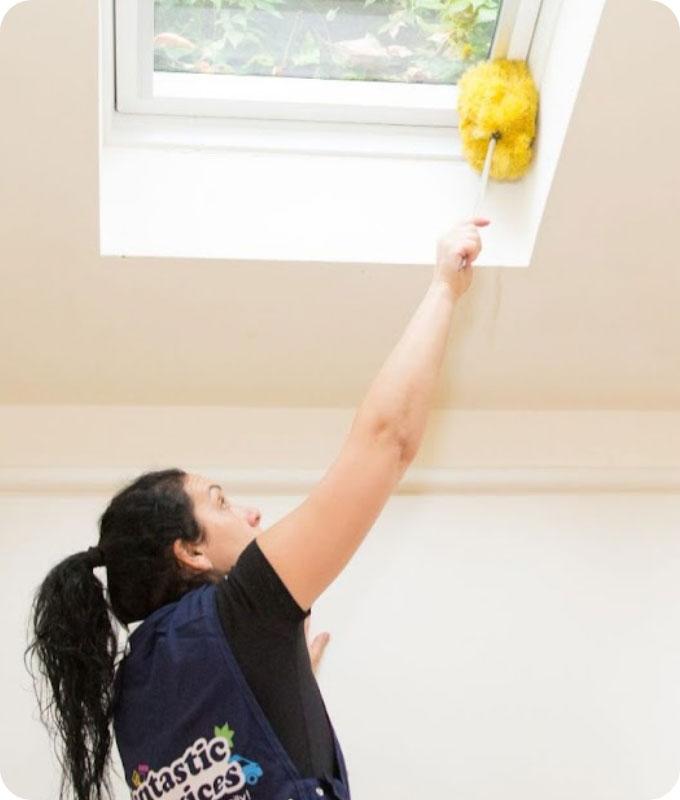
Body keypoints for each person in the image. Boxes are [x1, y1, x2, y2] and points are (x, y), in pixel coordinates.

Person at [24, 217, 489, 800]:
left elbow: (236, 764)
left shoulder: (130, 700)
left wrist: (281, 683)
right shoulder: (242, 611)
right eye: (220, 502)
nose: (252, 515)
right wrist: (446, 285)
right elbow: (387, 440)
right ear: (190, 550)